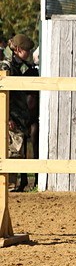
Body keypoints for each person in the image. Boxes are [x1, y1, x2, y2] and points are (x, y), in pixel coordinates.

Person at [3, 34, 39, 192]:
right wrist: (7, 116)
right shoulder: (6, 66)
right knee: (13, 151)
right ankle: (8, 186)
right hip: (11, 116)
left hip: (19, 116)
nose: (29, 53)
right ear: (17, 50)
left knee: (16, 150)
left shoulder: (20, 65)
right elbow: (4, 94)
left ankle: (12, 185)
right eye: (27, 50)